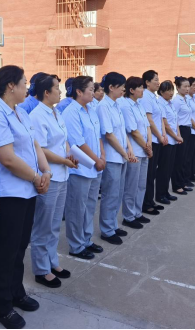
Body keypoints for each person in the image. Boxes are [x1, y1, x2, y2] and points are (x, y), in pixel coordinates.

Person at [0, 66, 51, 329]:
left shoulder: (20, 112)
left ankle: (16, 292)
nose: (27, 88)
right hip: (10, 193)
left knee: (20, 247)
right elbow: (7, 158)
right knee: (5, 251)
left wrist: (46, 172)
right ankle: (1, 307)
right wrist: (35, 177)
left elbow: (34, 144)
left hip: (28, 190)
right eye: (24, 83)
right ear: (11, 86)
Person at [29, 73, 78, 289]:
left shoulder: (56, 112)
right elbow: (41, 149)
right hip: (49, 176)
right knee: (44, 225)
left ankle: (51, 261)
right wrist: (64, 160)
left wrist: (69, 155)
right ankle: (41, 269)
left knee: (55, 224)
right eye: (57, 88)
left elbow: (64, 140)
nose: (61, 91)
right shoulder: (37, 116)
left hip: (62, 174)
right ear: (46, 92)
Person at [62, 76, 106, 260]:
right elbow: (78, 143)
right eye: (90, 89)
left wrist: (102, 156)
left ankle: (86, 239)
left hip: (95, 166)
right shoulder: (71, 112)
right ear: (79, 92)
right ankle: (76, 245)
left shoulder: (91, 110)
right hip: (81, 167)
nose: (93, 93)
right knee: (76, 208)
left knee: (89, 206)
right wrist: (96, 160)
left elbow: (98, 136)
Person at [97, 72, 136, 246]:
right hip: (113, 157)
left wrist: (129, 149)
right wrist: (124, 153)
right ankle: (106, 230)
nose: (123, 90)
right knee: (110, 194)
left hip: (121, 155)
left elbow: (122, 131)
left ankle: (112, 225)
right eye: (121, 87)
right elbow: (109, 134)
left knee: (118, 193)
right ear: (111, 87)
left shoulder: (116, 104)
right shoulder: (103, 106)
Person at [120, 77, 152, 230]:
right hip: (136, 152)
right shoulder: (126, 106)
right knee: (131, 186)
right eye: (140, 87)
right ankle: (128, 216)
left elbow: (147, 126)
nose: (142, 90)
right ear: (131, 90)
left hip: (144, 150)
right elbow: (133, 131)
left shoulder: (139, 105)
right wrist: (146, 147)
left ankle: (137, 212)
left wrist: (149, 143)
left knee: (141, 184)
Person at [140, 70, 167, 216]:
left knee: (153, 172)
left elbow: (160, 118)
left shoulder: (154, 97)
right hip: (152, 140)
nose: (158, 82)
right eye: (155, 80)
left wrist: (163, 135)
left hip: (158, 138)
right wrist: (159, 136)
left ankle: (150, 201)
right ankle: (146, 203)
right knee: (149, 174)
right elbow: (149, 120)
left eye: (158, 79)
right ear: (147, 82)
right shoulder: (145, 97)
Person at [156, 81, 183, 205]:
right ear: (161, 92)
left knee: (169, 168)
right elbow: (166, 124)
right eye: (168, 90)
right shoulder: (160, 103)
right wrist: (175, 136)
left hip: (174, 140)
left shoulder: (170, 103)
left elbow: (175, 121)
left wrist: (178, 135)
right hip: (167, 141)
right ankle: (160, 194)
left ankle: (165, 192)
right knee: (163, 169)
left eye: (172, 90)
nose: (171, 93)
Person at [171, 77, 193, 195]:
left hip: (187, 129)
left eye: (188, 86)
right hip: (180, 130)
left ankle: (183, 182)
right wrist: (177, 134)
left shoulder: (185, 99)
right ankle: (177, 185)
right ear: (178, 88)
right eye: (185, 86)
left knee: (185, 158)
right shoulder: (176, 101)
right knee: (179, 159)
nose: (187, 88)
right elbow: (174, 119)